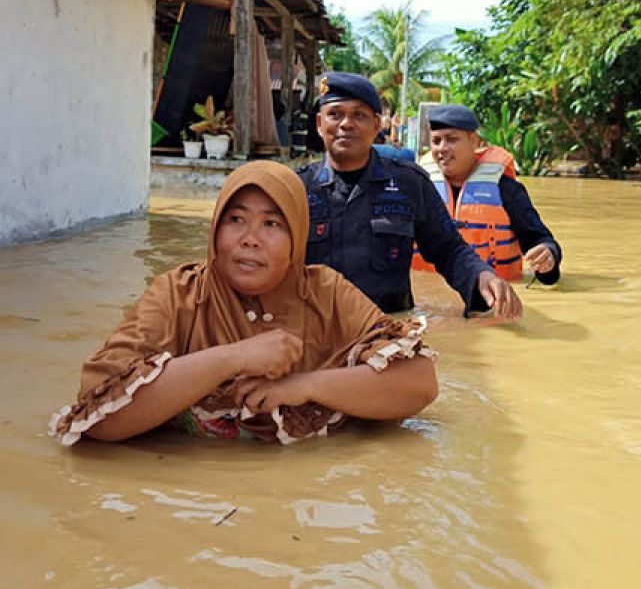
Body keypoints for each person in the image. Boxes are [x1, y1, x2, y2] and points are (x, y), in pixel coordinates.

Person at [48, 161, 438, 446]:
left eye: (272, 224)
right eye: (236, 219)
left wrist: (303, 386)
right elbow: (96, 414)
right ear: (216, 229)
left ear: (298, 237)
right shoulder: (177, 294)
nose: (250, 238)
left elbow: (418, 383)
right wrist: (231, 358)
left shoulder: (326, 292)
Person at [297, 72, 523, 319]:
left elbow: (448, 249)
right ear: (320, 124)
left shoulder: (409, 183)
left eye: (359, 115)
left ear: (376, 125)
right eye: (335, 114)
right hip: (315, 327)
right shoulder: (296, 188)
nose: (346, 124)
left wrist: (482, 276)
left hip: (389, 330)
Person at [412, 104, 561, 285]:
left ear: (474, 141)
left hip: (494, 295)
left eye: (451, 139)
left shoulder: (506, 190)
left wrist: (548, 256)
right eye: (436, 141)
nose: (442, 148)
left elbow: (539, 239)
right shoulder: (416, 188)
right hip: (430, 298)